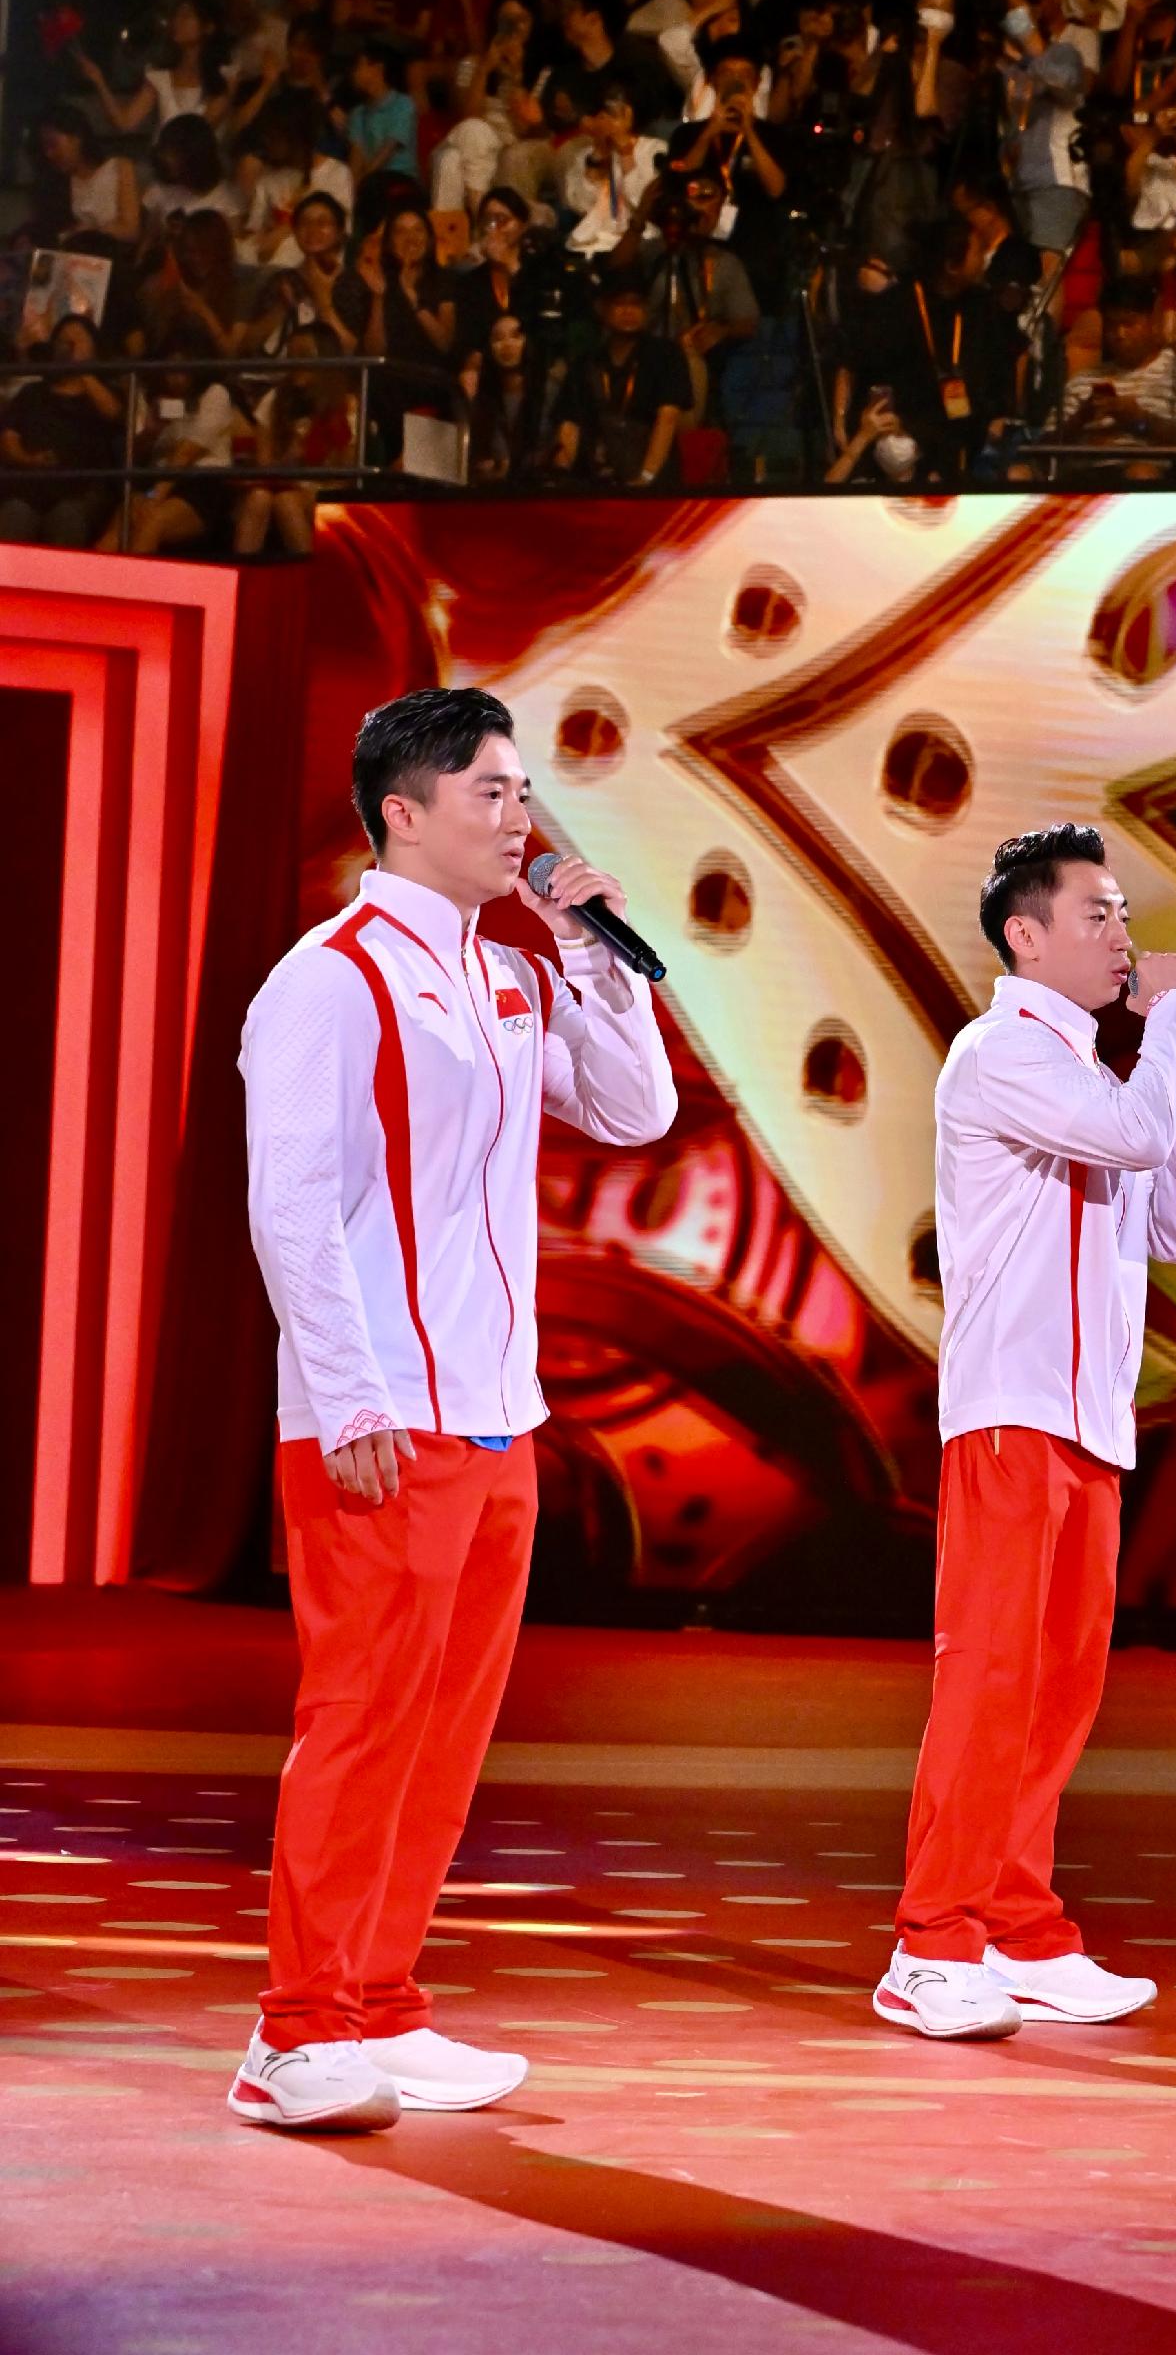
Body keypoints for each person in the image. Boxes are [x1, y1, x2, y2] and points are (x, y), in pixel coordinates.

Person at [230, 687, 673, 2132]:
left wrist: (603, 966)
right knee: (359, 1720)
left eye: (525, 791)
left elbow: (632, 1113)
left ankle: (381, 2000)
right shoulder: (329, 977)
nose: (519, 817)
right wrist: (346, 1387)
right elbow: (289, 1201)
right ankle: (293, 2032)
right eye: (490, 793)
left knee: (447, 1730)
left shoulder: (503, 974)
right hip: (377, 1419)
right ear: (402, 813)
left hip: (496, 1414)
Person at [878, 828, 1176, 2043]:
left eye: (1123, 912)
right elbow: (1135, 1138)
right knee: (987, 1680)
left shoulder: (1104, 1077)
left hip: (1091, 1418)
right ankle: (930, 1942)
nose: (1123, 936)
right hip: (1009, 1413)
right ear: (1023, 935)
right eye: (1097, 914)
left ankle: (1019, 1926)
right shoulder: (999, 1055)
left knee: (1057, 1689)